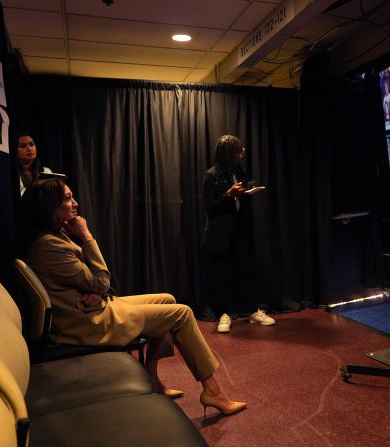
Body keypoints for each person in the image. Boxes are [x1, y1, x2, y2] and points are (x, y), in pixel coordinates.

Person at [21, 178, 246, 416]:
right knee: (182, 313)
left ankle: (152, 378)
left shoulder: (57, 235)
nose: (75, 203)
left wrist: (95, 290)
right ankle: (213, 391)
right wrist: (86, 236)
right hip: (86, 323)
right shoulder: (48, 246)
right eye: (67, 198)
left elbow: (86, 282)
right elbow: (101, 280)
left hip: (91, 307)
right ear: (50, 207)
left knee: (168, 299)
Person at [201, 135, 276, 333]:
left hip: (239, 232)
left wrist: (248, 190)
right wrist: (228, 195)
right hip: (220, 236)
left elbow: (239, 201)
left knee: (246, 272)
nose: (242, 155)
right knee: (221, 277)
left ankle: (253, 311)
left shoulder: (238, 171)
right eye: (239, 151)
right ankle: (223, 315)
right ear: (229, 153)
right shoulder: (211, 175)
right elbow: (210, 207)